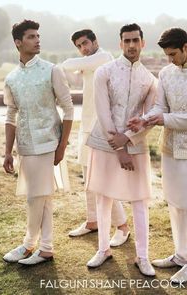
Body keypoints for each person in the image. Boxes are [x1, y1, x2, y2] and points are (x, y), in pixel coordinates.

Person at [127, 27, 187, 283]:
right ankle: (180, 255)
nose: (170, 60)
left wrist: (165, 119)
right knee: (176, 203)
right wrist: (144, 120)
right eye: (167, 55)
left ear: (186, 47)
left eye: (173, 54)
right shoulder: (166, 73)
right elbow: (160, 107)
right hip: (169, 149)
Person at [85, 23, 157, 276]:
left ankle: (143, 256)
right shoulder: (103, 72)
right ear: (120, 43)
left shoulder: (150, 80)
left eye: (135, 40)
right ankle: (103, 249)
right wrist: (118, 147)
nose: (131, 45)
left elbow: (148, 118)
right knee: (103, 197)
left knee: (139, 200)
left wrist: (127, 139)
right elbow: (102, 112)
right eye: (126, 41)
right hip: (104, 142)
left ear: (142, 43)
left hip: (134, 144)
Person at [2, 20, 74, 265]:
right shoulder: (11, 77)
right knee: (42, 197)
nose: (37, 40)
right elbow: (11, 115)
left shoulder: (51, 70)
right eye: (31, 36)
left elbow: (68, 108)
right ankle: (45, 248)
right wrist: (7, 152)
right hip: (25, 146)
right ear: (18, 43)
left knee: (36, 197)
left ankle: (27, 244)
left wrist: (62, 146)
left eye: (38, 36)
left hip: (48, 142)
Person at [62, 29, 129, 246]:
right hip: (86, 125)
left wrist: (82, 63)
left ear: (95, 41)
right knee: (88, 178)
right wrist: (83, 65)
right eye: (79, 46)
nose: (83, 48)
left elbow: (66, 66)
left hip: (102, 128)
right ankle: (93, 221)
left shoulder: (103, 57)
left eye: (85, 43)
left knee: (103, 179)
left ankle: (122, 226)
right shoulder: (89, 62)